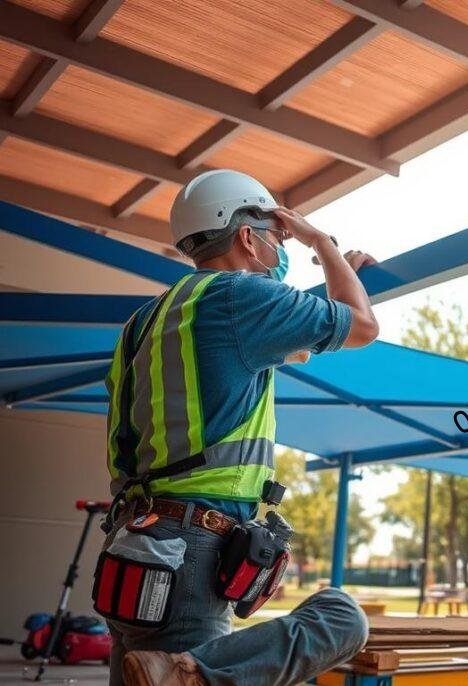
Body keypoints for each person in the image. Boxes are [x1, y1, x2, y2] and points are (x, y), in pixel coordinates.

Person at [98, 169, 380, 686]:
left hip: (132, 539)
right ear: (248, 237)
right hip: (192, 545)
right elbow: (360, 326)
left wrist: (336, 275)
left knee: (150, 675)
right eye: (276, 236)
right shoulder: (240, 299)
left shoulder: (148, 318)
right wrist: (323, 244)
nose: (281, 247)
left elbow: (292, 344)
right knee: (342, 617)